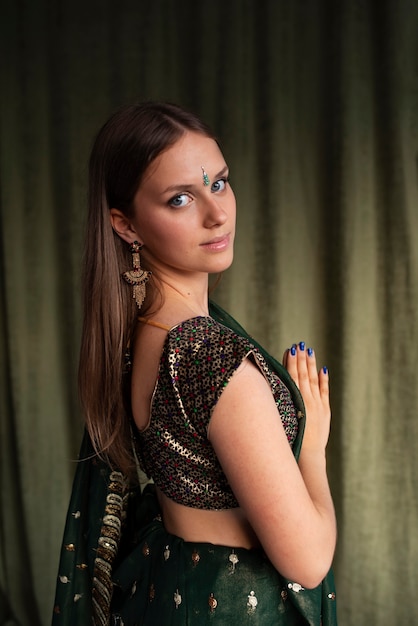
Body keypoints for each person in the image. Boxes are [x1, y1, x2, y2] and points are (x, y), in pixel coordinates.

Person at [52, 101, 337, 625]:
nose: (218, 212)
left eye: (220, 182)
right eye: (181, 198)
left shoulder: (140, 340)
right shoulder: (211, 360)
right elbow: (310, 561)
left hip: (172, 594)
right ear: (126, 225)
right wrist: (312, 449)